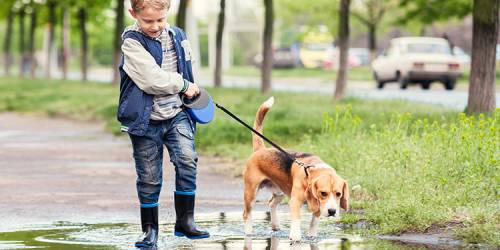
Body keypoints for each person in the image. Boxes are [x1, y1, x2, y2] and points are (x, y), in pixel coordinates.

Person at [117, 0, 210, 247]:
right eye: (148, 21)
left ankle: (185, 221)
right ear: (133, 13)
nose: (156, 26)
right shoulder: (132, 42)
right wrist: (183, 85)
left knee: (187, 159)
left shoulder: (178, 35)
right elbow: (151, 80)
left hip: (176, 112)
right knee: (149, 176)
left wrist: (194, 93)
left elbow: (187, 68)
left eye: (161, 19)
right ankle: (150, 231)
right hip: (145, 119)